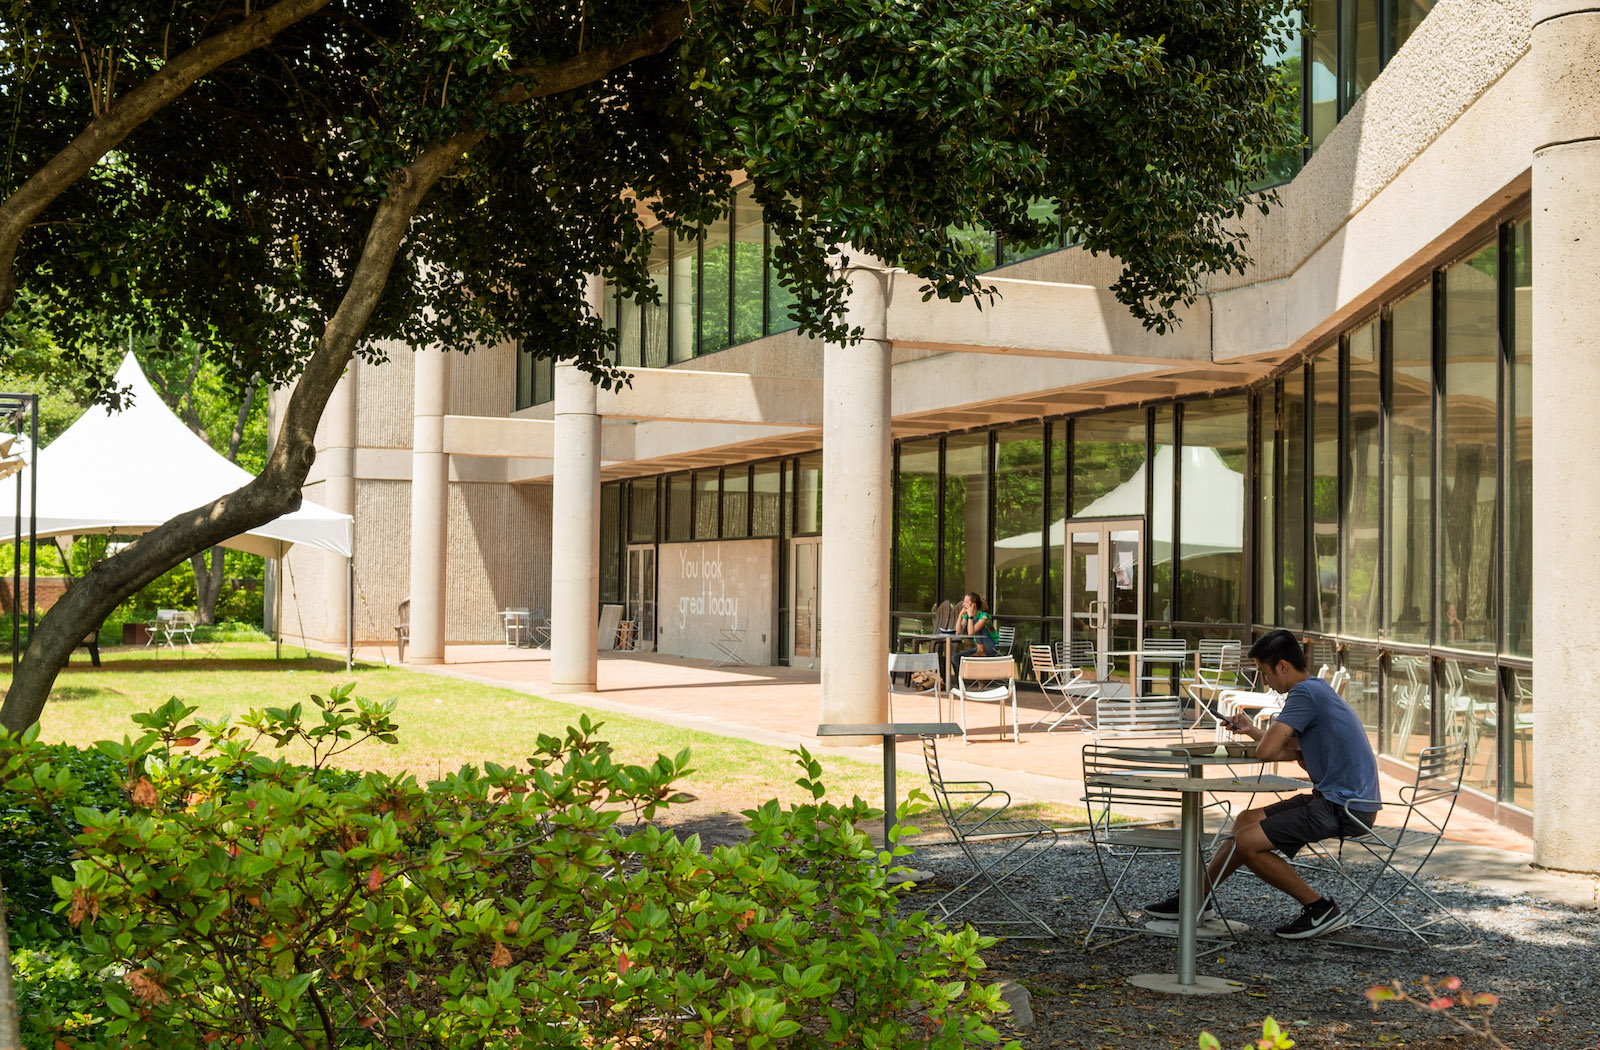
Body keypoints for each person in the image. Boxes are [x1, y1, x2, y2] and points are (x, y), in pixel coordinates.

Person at [1143, 629, 1381, 939]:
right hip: (1342, 800)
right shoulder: (1317, 690)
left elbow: (1268, 752)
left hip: (1342, 807)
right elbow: (1293, 750)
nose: (1266, 682)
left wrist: (1265, 739)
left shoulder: (1303, 694)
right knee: (1245, 821)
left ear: (1283, 666)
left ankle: (1319, 908)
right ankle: (1196, 897)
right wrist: (1254, 729)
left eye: (1265, 673)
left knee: (1247, 842)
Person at [949, 592, 998, 678]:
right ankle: (976, 673)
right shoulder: (967, 616)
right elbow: (957, 632)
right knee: (955, 658)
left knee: (975, 623)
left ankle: (981, 653)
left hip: (992, 646)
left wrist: (971, 617)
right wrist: (960, 615)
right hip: (978, 648)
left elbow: (971, 632)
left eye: (965, 602)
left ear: (973, 605)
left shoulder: (984, 616)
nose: (963, 604)